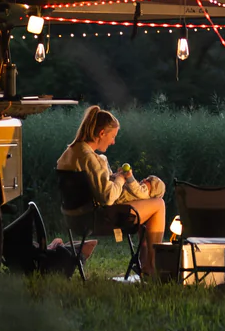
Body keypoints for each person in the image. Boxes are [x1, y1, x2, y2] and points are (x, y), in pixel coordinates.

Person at [55, 105, 167, 277]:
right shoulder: (89, 158)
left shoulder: (71, 151)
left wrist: (113, 178)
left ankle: (146, 265)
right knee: (158, 204)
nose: (113, 141)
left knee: (147, 204)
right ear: (101, 134)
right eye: (113, 136)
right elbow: (107, 197)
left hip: (73, 218)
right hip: (94, 219)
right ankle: (151, 268)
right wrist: (121, 179)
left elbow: (95, 187)